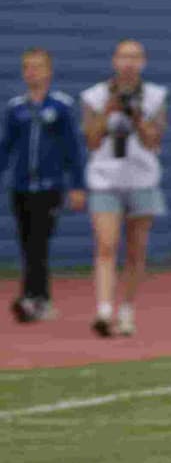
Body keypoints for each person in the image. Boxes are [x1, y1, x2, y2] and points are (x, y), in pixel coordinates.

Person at [81, 39, 167, 339]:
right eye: (123, 57)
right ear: (114, 61)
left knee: (135, 250)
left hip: (141, 179)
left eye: (135, 57)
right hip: (105, 179)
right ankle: (104, 310)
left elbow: (154, 140)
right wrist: (108, 111)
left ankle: (127, 310)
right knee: (106, 244)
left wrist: (137, 116)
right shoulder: (94, 96)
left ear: (143, 62)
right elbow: (91, 139)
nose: (129, 63)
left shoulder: (155, 96)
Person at [1, 48, 86, 323]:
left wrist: (76, 185)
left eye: (37, 67)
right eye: (27, 67)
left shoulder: (60, 106)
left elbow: (72, 148)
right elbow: (6, 148)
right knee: (27, 244)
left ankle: (33, 298)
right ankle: (39, 299)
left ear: (49, 71)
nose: (31, 72)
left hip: (49, 188)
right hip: (21, 187)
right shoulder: (16, 108)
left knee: (39, 242)